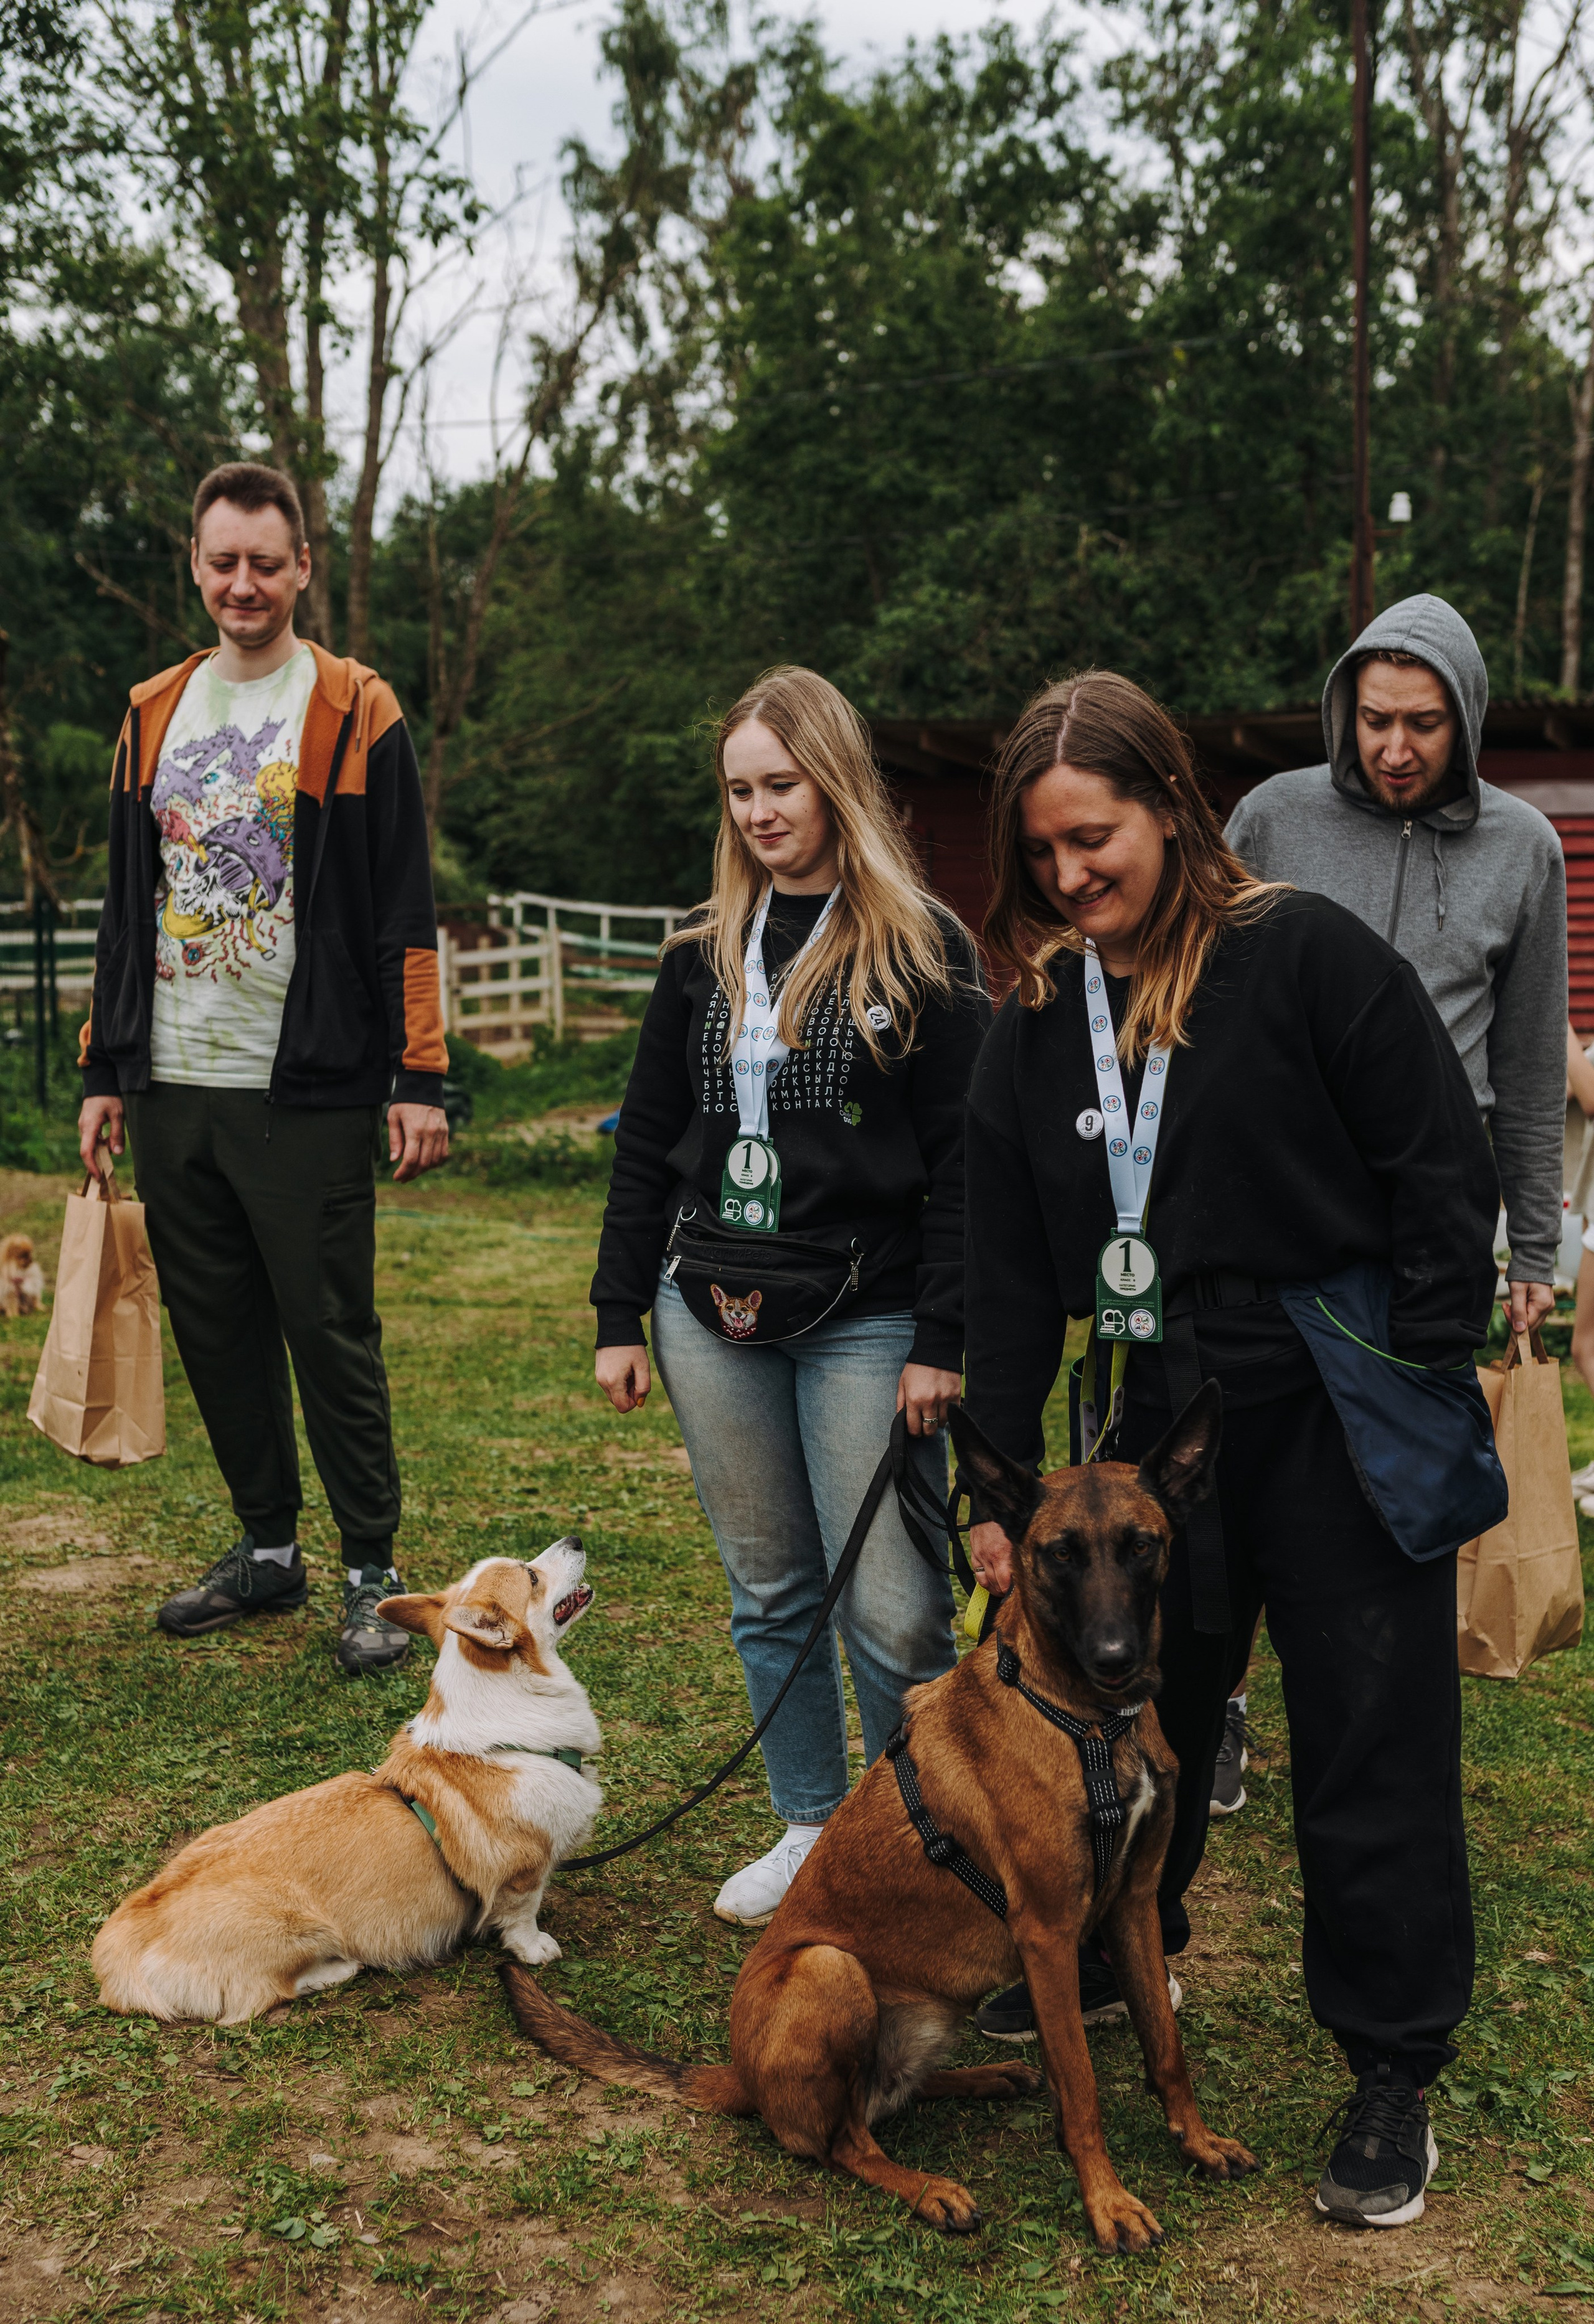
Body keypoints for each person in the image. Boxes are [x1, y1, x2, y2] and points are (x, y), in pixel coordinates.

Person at [960, 670, 1498, 2229]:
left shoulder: (1306, 956)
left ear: (1170, 810)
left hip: (1326, 1396)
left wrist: (1418, 1366)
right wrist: (990, 1489)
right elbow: (1000, 1275)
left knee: (1363, 1738)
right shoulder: (1033, 1026)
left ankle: (1389, 2064)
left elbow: (1432, 1168)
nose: (1069, 876)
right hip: (1146, 1421)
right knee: (1132, 1714)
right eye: (1043, 850)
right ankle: (1137, 1954)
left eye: (1095, 836)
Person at [591, 666, 990, 1926]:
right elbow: (649, 1140)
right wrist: (617, 1312)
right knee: (766, 1590)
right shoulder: (698, 955)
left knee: (887, 1599)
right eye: (740, 791)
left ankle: (923, 1833)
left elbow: (968, 1168)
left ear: (834, 781)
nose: (761, 811)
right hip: (710, 1308)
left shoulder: (924, 948)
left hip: (868, 1313)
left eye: (782, 785)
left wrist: (943, 1335)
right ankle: (814, 1823)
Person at [77, 461, 450, 1675]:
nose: (244, 584)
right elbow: (125, 911)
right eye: (223, 561)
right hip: (170, 1083)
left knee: (326, 1328)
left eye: (266, 563)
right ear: (196, 563)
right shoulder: (149, 712)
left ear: (301, 568)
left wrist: (419, 1074)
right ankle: (266, 1550)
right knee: (217, 1327)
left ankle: (371, 1571)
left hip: (312, 1086)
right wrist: (102, 1068)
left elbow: (404, 904)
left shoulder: (353, 705)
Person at [1225, 593, 1565, 1340]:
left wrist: (1535, 1252)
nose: (1395, 749)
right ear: (1347, 708)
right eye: (1375, 719)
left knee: (1420, 1445)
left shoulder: (1525, 847)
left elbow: (1533, 1066)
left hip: (1438, 1218)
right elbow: (1202, 1011)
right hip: (1282, 1205)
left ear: (1467, 718)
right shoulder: (1270, 818)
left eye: (1424, 723)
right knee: (1285, 1447)